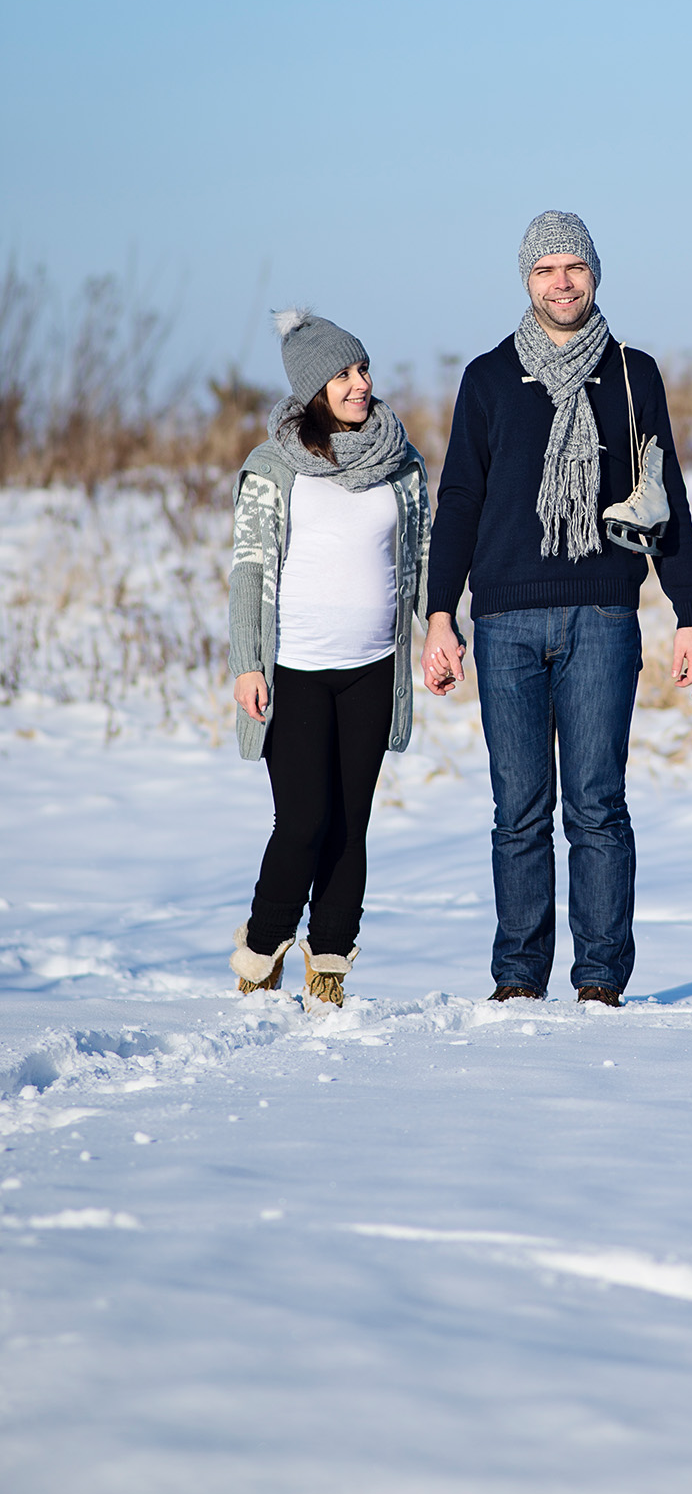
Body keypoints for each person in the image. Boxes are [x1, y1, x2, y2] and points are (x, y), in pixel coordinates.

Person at [421, 209, 692, 1008]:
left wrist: (690, 613)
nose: (561, 282)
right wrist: (439, 615)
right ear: (526, 279)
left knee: (597, 806)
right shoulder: (486, 377)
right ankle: (517, 979)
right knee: (517, 811)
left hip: (603, 614)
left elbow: (665, 496)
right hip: (505, 619)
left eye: (573, 268)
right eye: (546, 269)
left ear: (594, 276)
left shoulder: (630, 373)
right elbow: (460, 499)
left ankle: (599, 982)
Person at [227, 308, 434, 1011]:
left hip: (374, 666)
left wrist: (441, 628)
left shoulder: (401, 466)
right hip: (296, 670)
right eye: (344, 374)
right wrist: (248, 664)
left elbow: (422, 560)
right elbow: (251, 569)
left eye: (364, 369)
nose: (360, 384)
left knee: (352, 822)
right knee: (305, 820)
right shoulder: (276, 466)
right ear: (313, 388)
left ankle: (332, 964)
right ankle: (261, 949)